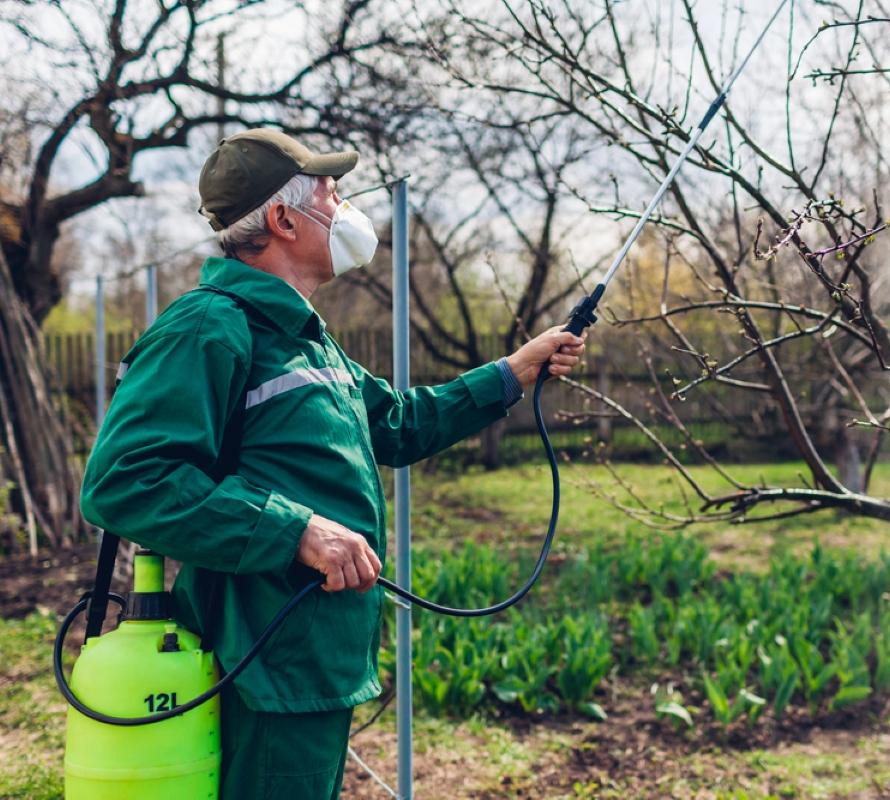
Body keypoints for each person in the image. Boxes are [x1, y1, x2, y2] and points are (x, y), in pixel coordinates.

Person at [79, 128, 586, 799]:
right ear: (283, 219)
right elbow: (126, 482)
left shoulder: (304, 341)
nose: (345, 210)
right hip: (261, 661)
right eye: (332, 194)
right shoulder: (209, 328)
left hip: (309, 659)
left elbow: (398, 424)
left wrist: (512, 374)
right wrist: (297, 530)